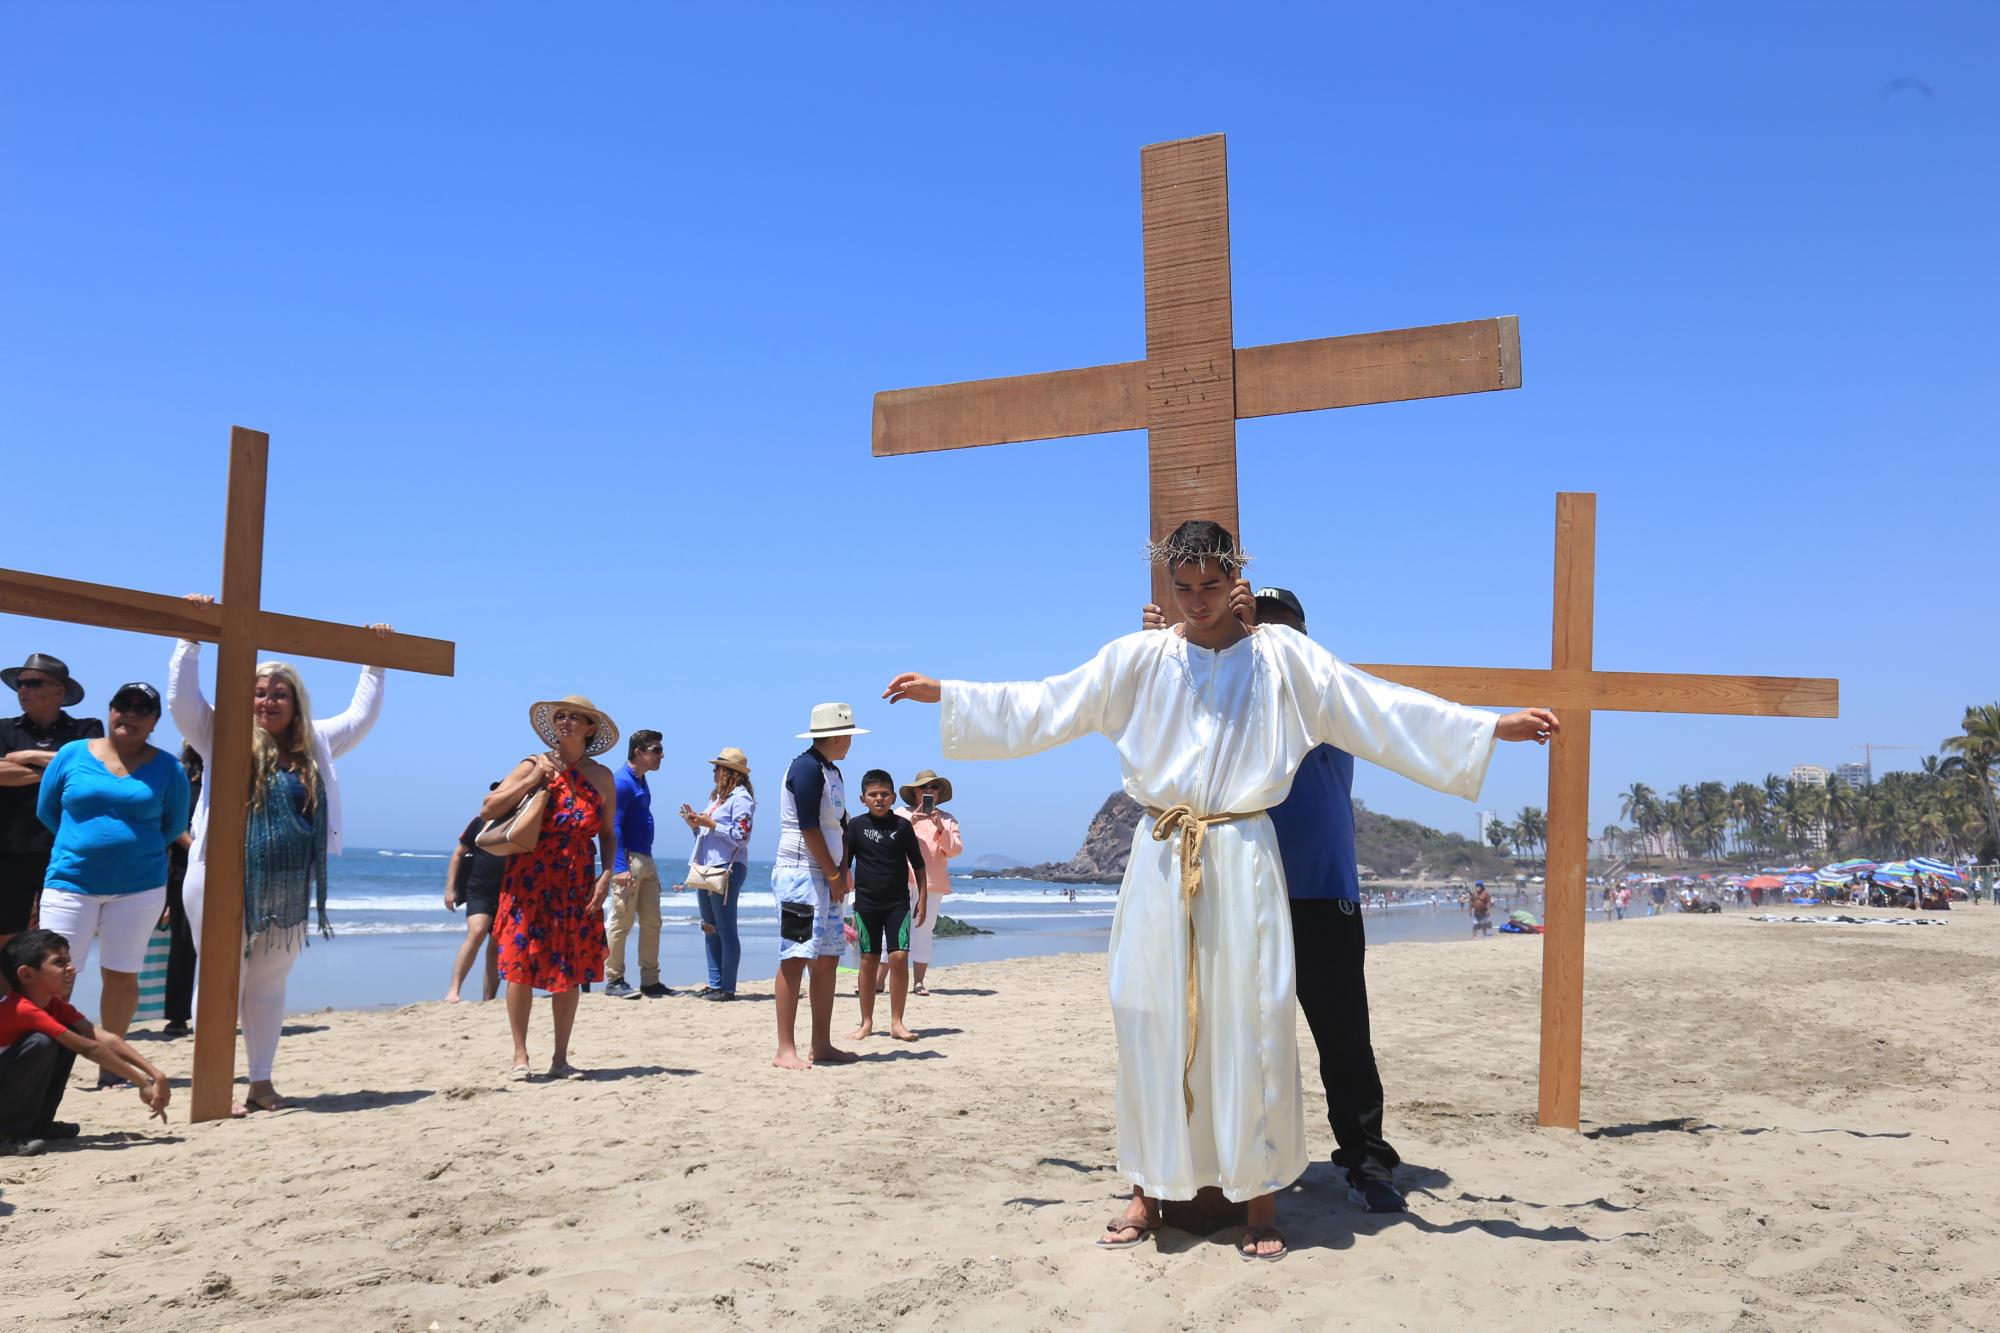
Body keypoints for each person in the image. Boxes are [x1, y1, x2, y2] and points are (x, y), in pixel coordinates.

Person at [886, 520, 1558, 1259]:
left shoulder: (1281, 662)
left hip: (1241, 856)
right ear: (1166, 587)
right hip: (1161, 857)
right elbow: (1047, 702)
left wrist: (1491, 728)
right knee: (1147, 1015)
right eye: (1183, 587)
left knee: (1253, 1022)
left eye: (1211, 585)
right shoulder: (1136, 660)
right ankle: (1147, 1189)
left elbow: (1380, 708)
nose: (1197, 600)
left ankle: (1260, 1199)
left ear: (1234, 579)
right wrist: (945, 693)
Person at [170, 604, 393, 1115]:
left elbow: (361, 719)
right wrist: (189, 641)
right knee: (224, 977)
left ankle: (261, 1082)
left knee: (268, 983)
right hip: (219, 877)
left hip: (286, 884)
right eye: (258, 691)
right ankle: (214, 1081)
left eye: (279, 693)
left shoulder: (315, 743)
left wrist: (374, 663)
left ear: (295, 704)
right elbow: (183, 702)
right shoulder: (217, 732)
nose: (267, 700)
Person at [34, 683, 191, 1070]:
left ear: (154, 721)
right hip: (70, 884)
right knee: (55, 981)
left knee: (121, 977)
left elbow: (173, 826)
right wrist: (85, 847)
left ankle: (112, 1066)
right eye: (124, 705)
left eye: (142, 709)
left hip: (139, 890)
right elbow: (47, 811)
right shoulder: (71, 754)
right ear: (111, 709)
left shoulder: (169, 768)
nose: (131, 714)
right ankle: (50, 1064)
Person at [487, 696, 617, 1080]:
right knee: (520, 965)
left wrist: (607, 873)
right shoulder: (534, 763)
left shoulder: (603, 777)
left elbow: (609, 832)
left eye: (575, 717)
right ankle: (520, 1055)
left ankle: (560, 1058)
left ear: (591, 728)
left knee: (570, 967)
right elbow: (488, 809)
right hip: (529, 879)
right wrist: (532, 781)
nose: (566, 722)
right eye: (560, 716)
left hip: (576, 881)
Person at [1, 929, 171, 1156]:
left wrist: (156, 1074)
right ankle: (7, 1136)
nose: (70, 968)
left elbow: (99, 1036)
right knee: (42, 1042)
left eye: (68, 960)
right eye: (59, 962)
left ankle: (38, 1124)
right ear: (27, 974)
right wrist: (142, 1082)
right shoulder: (21, 1008)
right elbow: (88, 1048)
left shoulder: (52, 1004)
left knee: (61, 1037)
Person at [772, 703, 864, 1071]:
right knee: (795, 958)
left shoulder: (833, 771)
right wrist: (831, 873)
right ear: (837, 736)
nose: (850, 744)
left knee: (827, 958)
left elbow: (842, 825)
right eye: (849, 738)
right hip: (799, 876)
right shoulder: (805, 769)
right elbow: (809, 826)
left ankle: (821, 1044)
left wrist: (843, 869)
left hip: (826, 876)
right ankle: (784, 1049)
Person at [1, 653, 104, 948]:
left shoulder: (86, 730)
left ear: (60, 691)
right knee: (6, 943)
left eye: (32, 683)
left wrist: (29, 757)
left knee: (61, 945)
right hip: (8, 850)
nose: (23, 690)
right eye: (19, 684)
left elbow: (95, 766)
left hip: (66, 851)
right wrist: (62, 769)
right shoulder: (3, 729)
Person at [845, 769, 927, 1041]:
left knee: (899, 957)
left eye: (884, 794)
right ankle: (866, 1022)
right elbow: (844, 866)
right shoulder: (855, 827)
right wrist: (842, 901)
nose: (878, 799)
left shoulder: (902, 826)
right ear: (862, 798)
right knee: (868, 960)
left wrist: (923, 899)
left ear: (892, 797)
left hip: (898, 904)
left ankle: (897, 1023)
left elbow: (918, 864)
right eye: (873, 795)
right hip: (866, 904)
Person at [677, 747, 754, 1001]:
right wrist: (695, 825)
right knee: (709, 926)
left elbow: (742, 837)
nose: (714, 772)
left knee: (725, 928)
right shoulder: (718, 798)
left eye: (717, 768)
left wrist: (711, 824)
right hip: (706, 867)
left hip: (726, 868)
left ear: (730, 772)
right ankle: (715, 982)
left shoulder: (741, 799)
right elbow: (709, 836)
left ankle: (727, 988)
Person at [605, 730, 670, 1000]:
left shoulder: (640, 780)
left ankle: (650, 980)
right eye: (656, 750)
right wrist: (619, 866)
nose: (661, 755)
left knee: (653, 921)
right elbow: (613, 825)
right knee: (621, 921)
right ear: (639, 751)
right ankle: (614, 979)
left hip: (646, 857)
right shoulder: (621, 781)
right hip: (629, 859)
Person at [896, 769, 962, 995]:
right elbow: (889, 842)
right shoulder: (901, 815)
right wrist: (911, 822)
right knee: (894, 930)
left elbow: (954, 850)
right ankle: (880, 980)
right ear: (915, 792)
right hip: (900, 880)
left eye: (933, 787)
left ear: (939, 792)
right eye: (924, 787)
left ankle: (919, 982)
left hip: (932, 883)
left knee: (923, 931)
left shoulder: (947, 819)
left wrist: (940, 828)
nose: (928, 791)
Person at [443, 783, 506, 1003]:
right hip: (479, 889)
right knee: (477, 932)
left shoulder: (520, 824)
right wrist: (450, 888)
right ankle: (454, 989)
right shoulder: (480, 822)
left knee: (497, 944)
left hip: (508, 892)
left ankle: (489, 998)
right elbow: (458, 854)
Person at [161, 747, 203, 1036]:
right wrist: (200, 852)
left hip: (226, 868)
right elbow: (172, 824)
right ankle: (178, 1016)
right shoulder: (180, 774)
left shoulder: (228, 769)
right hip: (183, 870)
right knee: (184, 944)